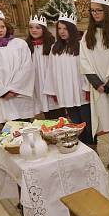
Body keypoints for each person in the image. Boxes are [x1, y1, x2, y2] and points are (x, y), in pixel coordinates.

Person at [80, 0, 109, 168]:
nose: (95, 14)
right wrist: (97, 83)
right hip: (99, 86)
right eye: (92, 11)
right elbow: (83, 61)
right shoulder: (87, 36)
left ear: (106, 11)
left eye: (99, 10)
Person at [43, 12, 92, 145]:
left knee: (87, 122)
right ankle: (81, 147)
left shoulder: (82, 46)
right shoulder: (55, 48)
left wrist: (87, 88)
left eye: (65, 28)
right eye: (59, 29)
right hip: (65, 92)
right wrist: (53, 91)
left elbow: (87, 68)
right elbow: (51, 71)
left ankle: (92, 147)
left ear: (72, 29)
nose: (62, 32)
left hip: (80, 90)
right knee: (75, 123)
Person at [25, 14, 58, 118]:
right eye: (31, 27)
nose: (34, 30)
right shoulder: (26, 46)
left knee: (56, 113)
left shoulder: (52, 45)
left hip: (50, 82)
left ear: (44, 29)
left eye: (37, 27)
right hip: (36, 83)